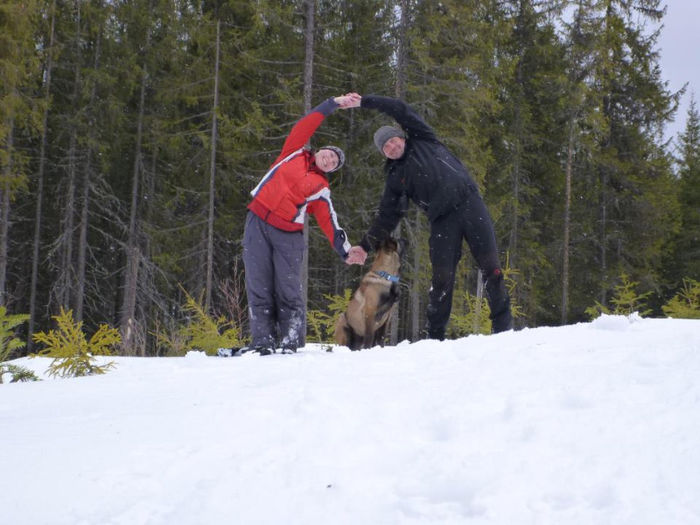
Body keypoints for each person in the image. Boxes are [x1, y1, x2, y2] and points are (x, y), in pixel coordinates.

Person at [344, 93, 513, 338]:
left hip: (470, 204)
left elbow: (400, 108)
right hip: (442, 220)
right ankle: (434, 338)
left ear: (401, 137)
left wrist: (364, 102)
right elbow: (387, 217)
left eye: (392, 140)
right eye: (386, 147)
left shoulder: (423, 138)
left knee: (491, 268)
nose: (392, 147)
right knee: (442, 279)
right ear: (384, 154)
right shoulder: (394, 177)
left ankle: (503, 329)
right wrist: (363, 246)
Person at [242, 94, 363, 355]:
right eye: (329, 155)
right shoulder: (294, 151)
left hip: (288, 236)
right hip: (257, 223)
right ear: (319, 150)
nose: (329, 160)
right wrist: (333, 104)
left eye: (333, 163)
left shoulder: (321, 189)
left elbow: (329, 221)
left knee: (287, 289)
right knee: (258, 283)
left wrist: (345, 251)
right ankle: (262, 342)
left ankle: (290, 343)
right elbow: (306, 124)